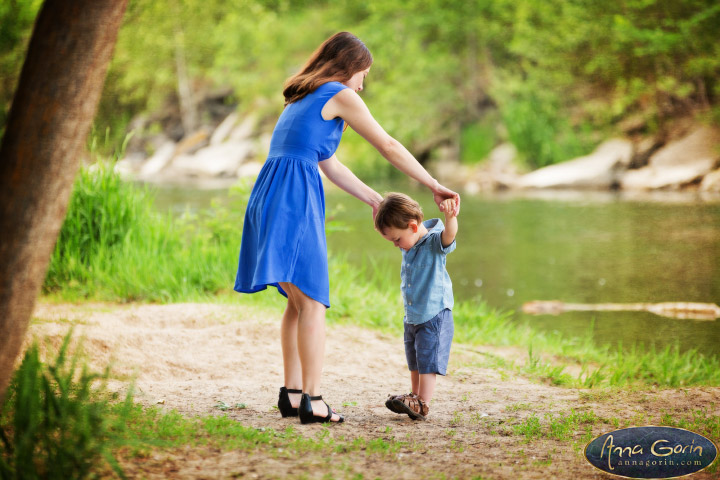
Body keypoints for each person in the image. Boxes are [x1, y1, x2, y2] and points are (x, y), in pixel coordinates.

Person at [234, 32, 460, 424]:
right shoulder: (339, 92)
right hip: (293, 196)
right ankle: (314, 400)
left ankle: (291, 394)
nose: (361, 84)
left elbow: (329, 164)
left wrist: (374, 199)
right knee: (313, 303)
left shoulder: (302, 96)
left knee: (296, 300)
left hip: (269, 191)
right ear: (349, 67)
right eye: (363, 75)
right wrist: (432, 184)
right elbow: (387, 145)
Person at [374, 192, 458, 420]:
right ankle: (414, 396)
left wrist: (451, 217)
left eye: (396, 240)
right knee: (414, 358)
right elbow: (393, 218)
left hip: (433, 313)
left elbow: (449, 236)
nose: (396, 245)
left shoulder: (433, 242)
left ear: (413, 226)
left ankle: (424, 403)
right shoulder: (407, 243)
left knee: (427, 362)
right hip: (412, 314)